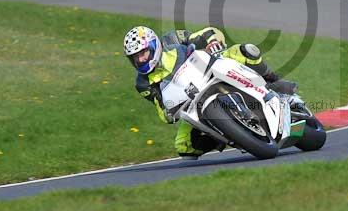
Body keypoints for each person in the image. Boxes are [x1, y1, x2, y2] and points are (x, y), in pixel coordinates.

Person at [123, 25, 297, 159]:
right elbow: (161, 107)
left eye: (143, 53)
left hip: (211, 66)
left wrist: (213, 42)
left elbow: (207, 33)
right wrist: (168, 114)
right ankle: (231, 134)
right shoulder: (143, 84)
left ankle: (274, 81)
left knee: (245, 51)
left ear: (154, 45)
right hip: (191, 102)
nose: (140, 59)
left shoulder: (171, 40)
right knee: (183, 146)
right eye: (135, 57)